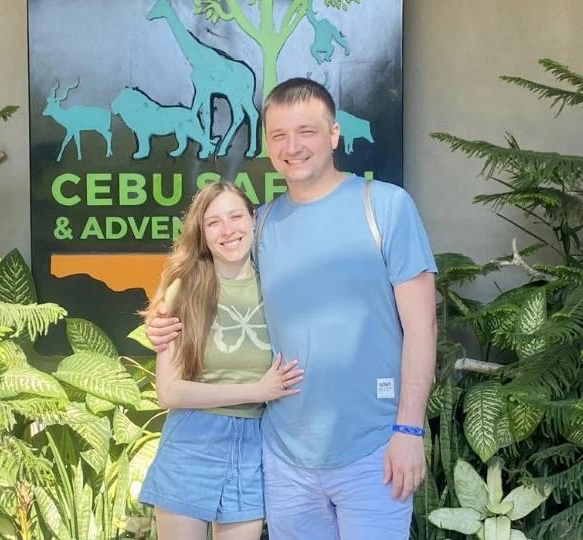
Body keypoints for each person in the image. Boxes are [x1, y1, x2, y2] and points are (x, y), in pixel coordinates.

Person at [146, 77, 438, 540]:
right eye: (279, 135)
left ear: (334, 134)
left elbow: (422, 330)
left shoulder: (384, 207)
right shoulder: (259, 225)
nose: (293, 146)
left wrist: (410, 430)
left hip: (373, 454)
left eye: (306, 131)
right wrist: (164, 324)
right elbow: (208, 279)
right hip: (284, 462)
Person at [137, 180, 305, 540]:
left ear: (253, 220)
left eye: (235, 217)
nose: (228, 230)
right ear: (202, 233)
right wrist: (257, 391)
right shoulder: (184, 290)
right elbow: (168, 392)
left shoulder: (279, 286)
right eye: (214, 222)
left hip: (254, 446)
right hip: (192, 442)